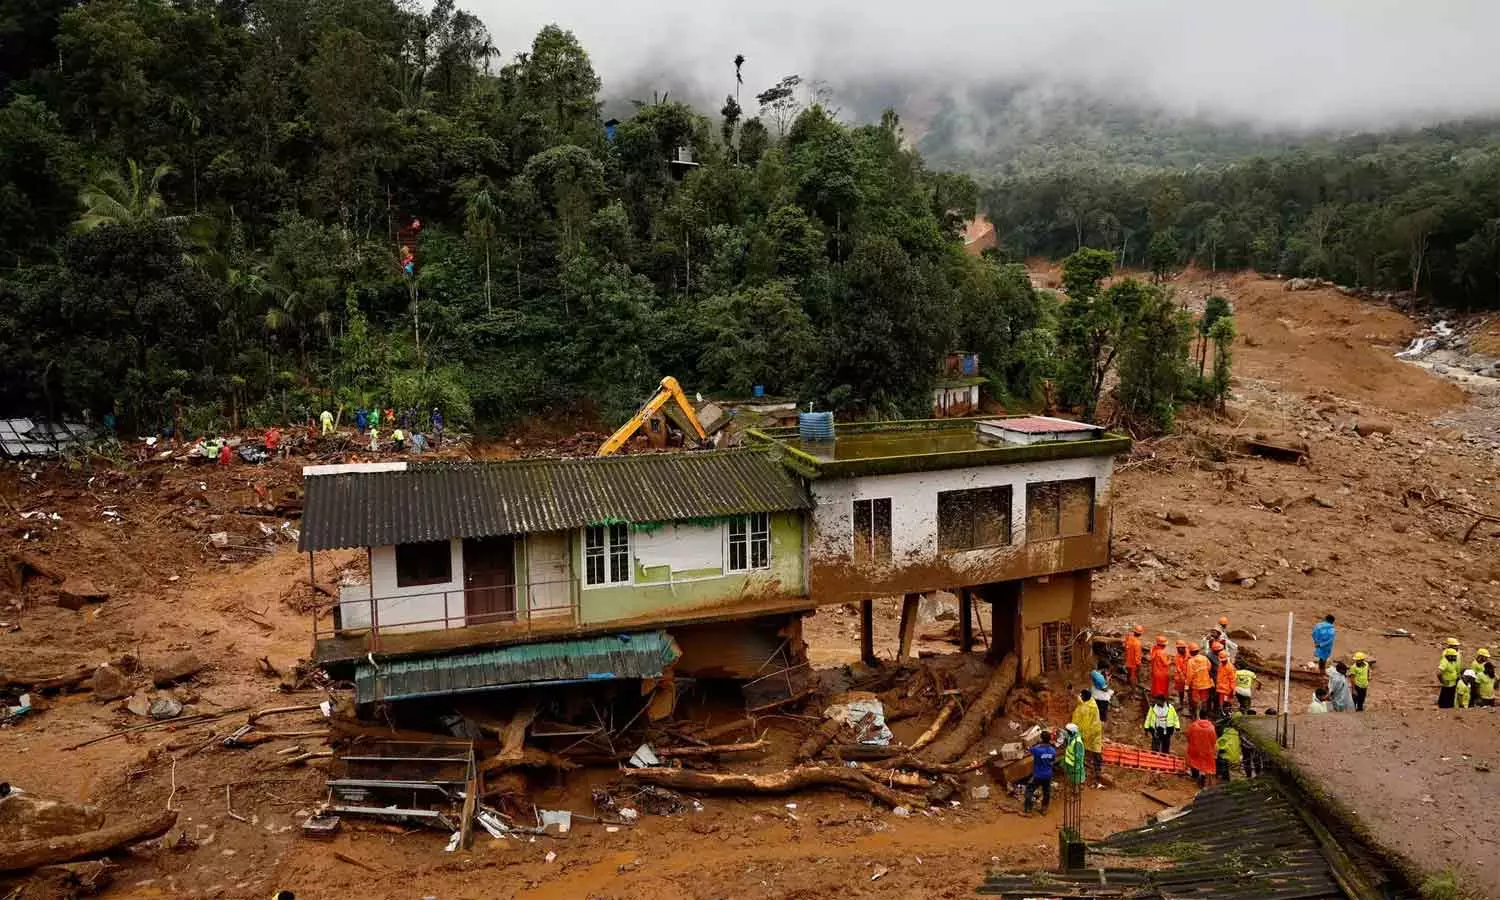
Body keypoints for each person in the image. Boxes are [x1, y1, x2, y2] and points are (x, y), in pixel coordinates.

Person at [1070, 688, 1104, 786]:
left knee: (1094, 750)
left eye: (1081, 696)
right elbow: (1078, 698)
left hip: (1091, 732)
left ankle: (1097, 771)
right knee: (1094, 749)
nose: (1079, 697)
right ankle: (1093, 767)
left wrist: (1080, 735)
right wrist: (1071, 692)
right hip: (1092, 731)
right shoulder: (1089, 702)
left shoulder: (1088, 709)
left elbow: (1084, 725)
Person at [1024, 730, 1056, 814]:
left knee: (1029, 790)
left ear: (1041, 738)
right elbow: (1052, 760)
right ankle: (1044, 808)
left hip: (1037, 775)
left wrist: (1036, 744)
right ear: (1049, 739)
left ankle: (1028, 808)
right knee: (1046, 792)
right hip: (1048, 775)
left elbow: (1028, 749)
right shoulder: (1053, 750)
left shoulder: (1036, 750)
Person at [1186, 716, 1218, 787]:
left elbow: (1188, 736)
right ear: (1207, 717)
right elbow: (1214, 740)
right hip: (1206, 749)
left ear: (1199, 716)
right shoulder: (1211, 727)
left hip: (1195, 747)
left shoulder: (1194, 725)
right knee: (1204, 764)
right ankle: (1202, 777)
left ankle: (1195, 776)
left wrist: (1191, 742)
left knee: (1194, 761)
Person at [1187, 643, 1213, 718]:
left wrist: (1187, 685)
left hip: (1196, 685)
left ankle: (1197, 716)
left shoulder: (1191, 661)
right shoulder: (1205, 658)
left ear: (1191, 652)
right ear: (1198, 651)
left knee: (1196, 701)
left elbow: (1190, 675)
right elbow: (1209, 667)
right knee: (1204, 699)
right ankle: (1204, 716)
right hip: (1206, 684)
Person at [1061, 723, 1087, 792]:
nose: (1066, 733)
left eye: (1067, 731)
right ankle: (1075, 789)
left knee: (1076, 778)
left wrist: (1077, 765)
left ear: (1072, 732)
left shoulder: (1077, 742)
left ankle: (1076, 790)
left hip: (1075, 764)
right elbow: (1066, 736)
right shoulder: (1072, 736)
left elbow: (1079, 756)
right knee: (1072, 778)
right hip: (1070, 762)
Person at [1438, 643, 1462, 708]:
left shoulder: (1453, 661)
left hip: (1453, 682)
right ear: (1449, 656)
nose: (1455, 657)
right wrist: (1442, 681)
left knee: (1451, 696)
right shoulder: (1445, 661)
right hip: (1447, 684)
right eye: (1454, 656)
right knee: (1445, 697)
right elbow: (1439, 673)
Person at [1149, 635, 1172, 699]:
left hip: (1155, 671)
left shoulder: (1154, 650)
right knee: (1162, 687)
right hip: (1162, 673)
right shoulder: (1162, 652)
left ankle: (1155, 696)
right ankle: (1160, 698)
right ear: (1164, 645)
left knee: (1155, 686)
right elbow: (1166, 663)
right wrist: (1170, 660)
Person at [1174, 640, 1192, 708]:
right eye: (1177, 648)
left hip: (1189, 675)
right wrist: (1182, 676)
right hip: (1181, 676)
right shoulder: (1177, 657)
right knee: (1180, 690)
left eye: (1179, 648)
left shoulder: (1190, 655)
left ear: (1184, 648)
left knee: (1190, 691)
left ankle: (1191, 705)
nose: (1178, 649)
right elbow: (1178, 668)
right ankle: (1181, 702)